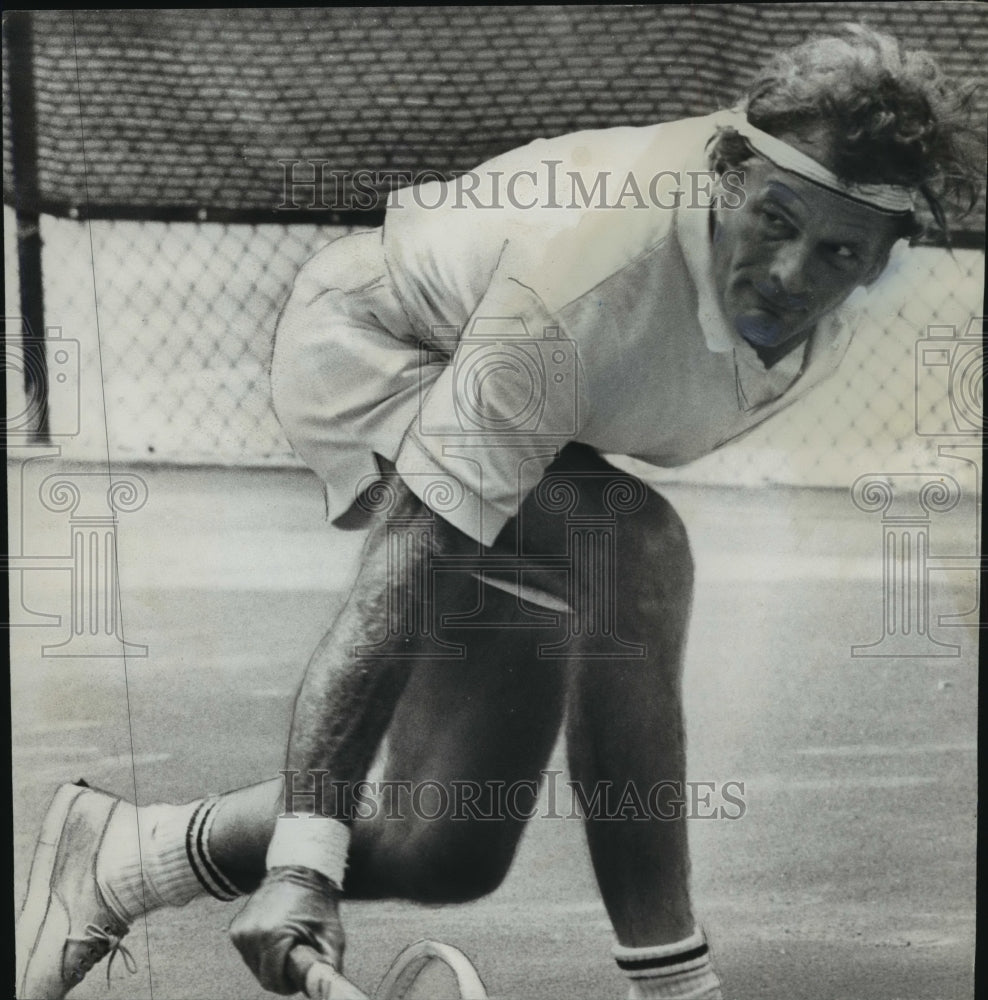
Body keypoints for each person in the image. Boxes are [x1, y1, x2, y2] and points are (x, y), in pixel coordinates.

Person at [16, 23, 979, 1000]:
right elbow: (410, 555)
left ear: (882, 254)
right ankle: (676, 984)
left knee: (442, 841)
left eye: (836, 250)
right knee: (632, 549)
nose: (789, 274)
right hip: (382, 353)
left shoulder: (824, 288)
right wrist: (302, 865)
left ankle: (125, 854)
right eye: (773, 222)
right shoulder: (585, 276)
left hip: (535, 408)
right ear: (727, 170)